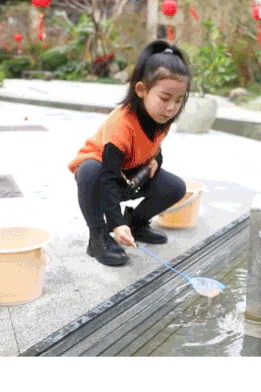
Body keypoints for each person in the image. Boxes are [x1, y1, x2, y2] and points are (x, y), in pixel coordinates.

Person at [68, 40, 189, 266]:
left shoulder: (161, 119)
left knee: (175, 187)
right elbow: (108, 177)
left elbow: (154, 149)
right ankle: (98, 238)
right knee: (91, 171)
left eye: (178, 100)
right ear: (141, 90)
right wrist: (116, 224)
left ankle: (135, 224)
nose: (171, 107)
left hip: (130, 176)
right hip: (102, 178)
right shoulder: (122, 124)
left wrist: (156, 162)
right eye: (165, 98)